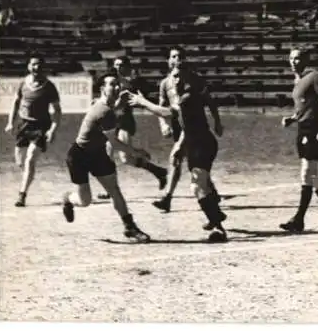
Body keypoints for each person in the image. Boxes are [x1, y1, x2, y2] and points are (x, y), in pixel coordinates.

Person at [128, 65, 227, 243]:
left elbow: (169, 113)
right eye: (174, 77)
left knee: (197, 186)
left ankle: (218, 226)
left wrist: (142, 102)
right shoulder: (182, 95)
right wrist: (180, 145)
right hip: (195, 144)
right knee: (203, 184)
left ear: (187, 77)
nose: (176, 80)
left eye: (180, 77)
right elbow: (186, 126)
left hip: (203, 145)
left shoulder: (187, 97)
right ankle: (216, 214)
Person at [62, 70, 151, 243]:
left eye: (117, 83)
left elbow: (110, 111)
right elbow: (115, 143)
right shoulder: (104, 110)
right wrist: (137, 151)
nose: (117, 86)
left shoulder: (106, 105)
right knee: (84, 201)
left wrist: (120, 104)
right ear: (103, 88)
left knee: (114, 190)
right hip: (79, 156)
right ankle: (68, 199)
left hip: (97, 153)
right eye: (112, 84)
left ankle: (129, 227)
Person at [154, 46, 223, 215]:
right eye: (174, 56)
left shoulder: (194, 81)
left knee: (176, 159)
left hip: (193, 126)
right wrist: (164, 125)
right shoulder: (165, 83)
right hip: (178, 126)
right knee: (191, 165)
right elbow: (161, 107)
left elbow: (209, 102)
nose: (177, 59)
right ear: (168, 60)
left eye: (180, 56)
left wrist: (217, 121)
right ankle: (211, 194)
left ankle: (167, 198)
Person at [279, 47, 318, 232]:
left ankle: (299, 219)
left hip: (313, 130)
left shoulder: (314, 76)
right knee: (312, 175)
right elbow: (304, 107)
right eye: (291, 58)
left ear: (306, 59)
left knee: (307, 172)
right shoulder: (297, 80)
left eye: (297, 58)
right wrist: (292, 118)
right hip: (302, 129)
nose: (293, 62)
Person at [97, 56, 167, 200]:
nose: (117, 68)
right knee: (107, 155)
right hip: (110, 122)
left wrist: (139, 100)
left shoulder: (130, 84)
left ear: (127, 67)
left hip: (124, 122)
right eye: (115, 65)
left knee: (125, 158)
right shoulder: (108, 82)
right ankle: (111, 190)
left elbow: (141, 99)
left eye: (121, 65)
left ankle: (157, 170)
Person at [5, 55, 61, 207]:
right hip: (23, 125)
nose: (36, 67)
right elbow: (15, 103)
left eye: (39, 65)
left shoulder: (49, 86)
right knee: (20, 162)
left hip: (40, 126)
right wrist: (10, 122)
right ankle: (28, 175)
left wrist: (53, 130)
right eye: (33, 64)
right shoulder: (23, 83)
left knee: (30, 159)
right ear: (29, 66)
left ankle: (22, 195)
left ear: (43, 67)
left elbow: (57, 110)